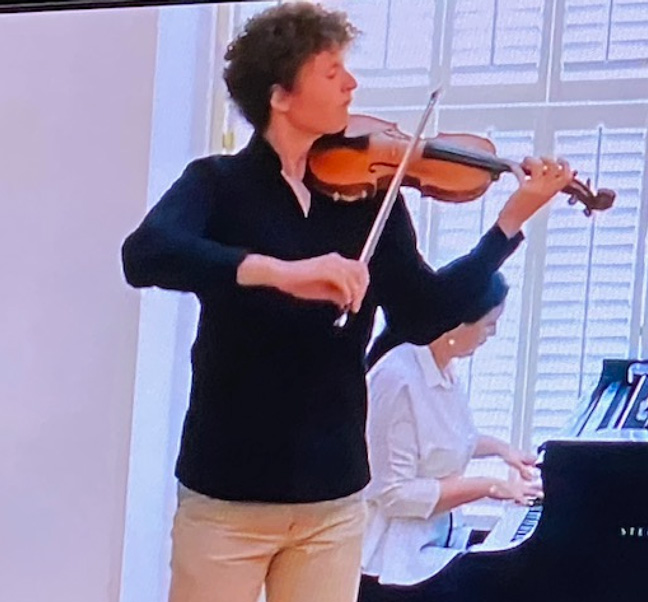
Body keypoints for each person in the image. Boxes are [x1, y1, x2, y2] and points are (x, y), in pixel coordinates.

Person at [120, 3, 571, 602]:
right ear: (281, 95)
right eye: (332, 72)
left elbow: (423, 310)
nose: (352, 85)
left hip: (333, 497)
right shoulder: (217, 186)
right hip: (228, 494)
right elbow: (144, 255)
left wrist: (508, 225)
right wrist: (278, 271)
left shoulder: (364, 198)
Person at [360, 272, 541, 597]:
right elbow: (395, 495)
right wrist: (490, 486)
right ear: (458, 321)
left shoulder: (443, 368)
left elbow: (446, 440)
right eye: (489, 323)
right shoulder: (396, 379)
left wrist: (503, 450)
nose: (493, 332)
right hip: (393, 563)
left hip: (437, 542)